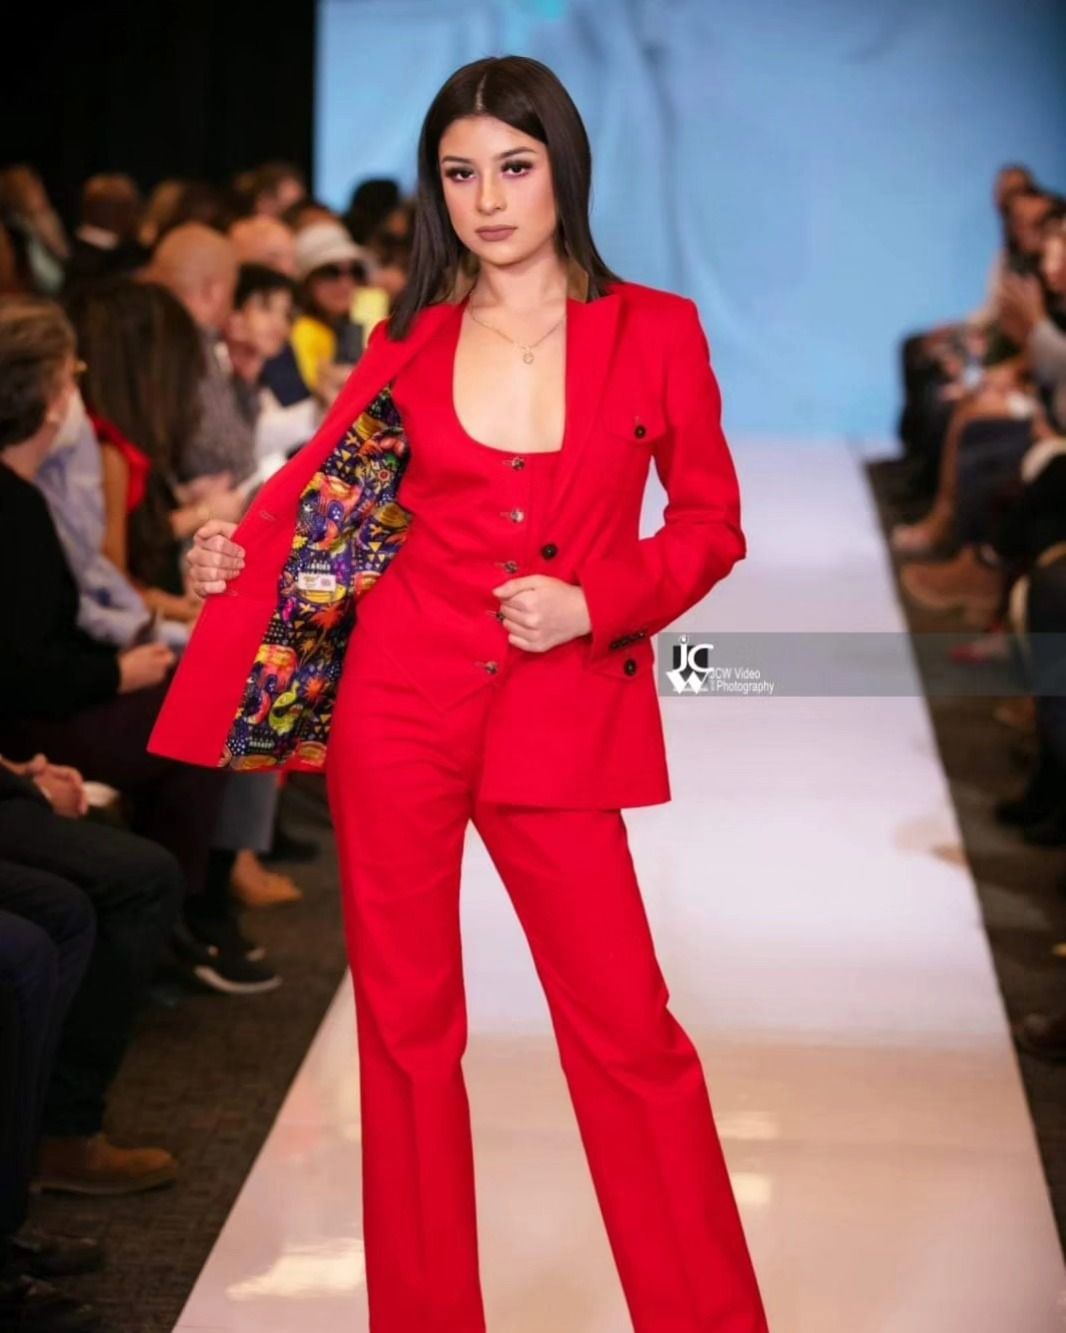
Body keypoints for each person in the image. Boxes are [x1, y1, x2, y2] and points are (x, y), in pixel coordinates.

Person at [148, 54, 770, 1333]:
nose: (488, 198)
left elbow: (711, 524)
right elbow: (321, 503)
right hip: (400, 709)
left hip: (561, 712)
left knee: (628, 1037)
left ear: (563, 170)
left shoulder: (655, 330)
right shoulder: (410, 341)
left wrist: (601, 599)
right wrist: (223, 555)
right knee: (408, 1039)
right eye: (461, 172)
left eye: (515, 166)